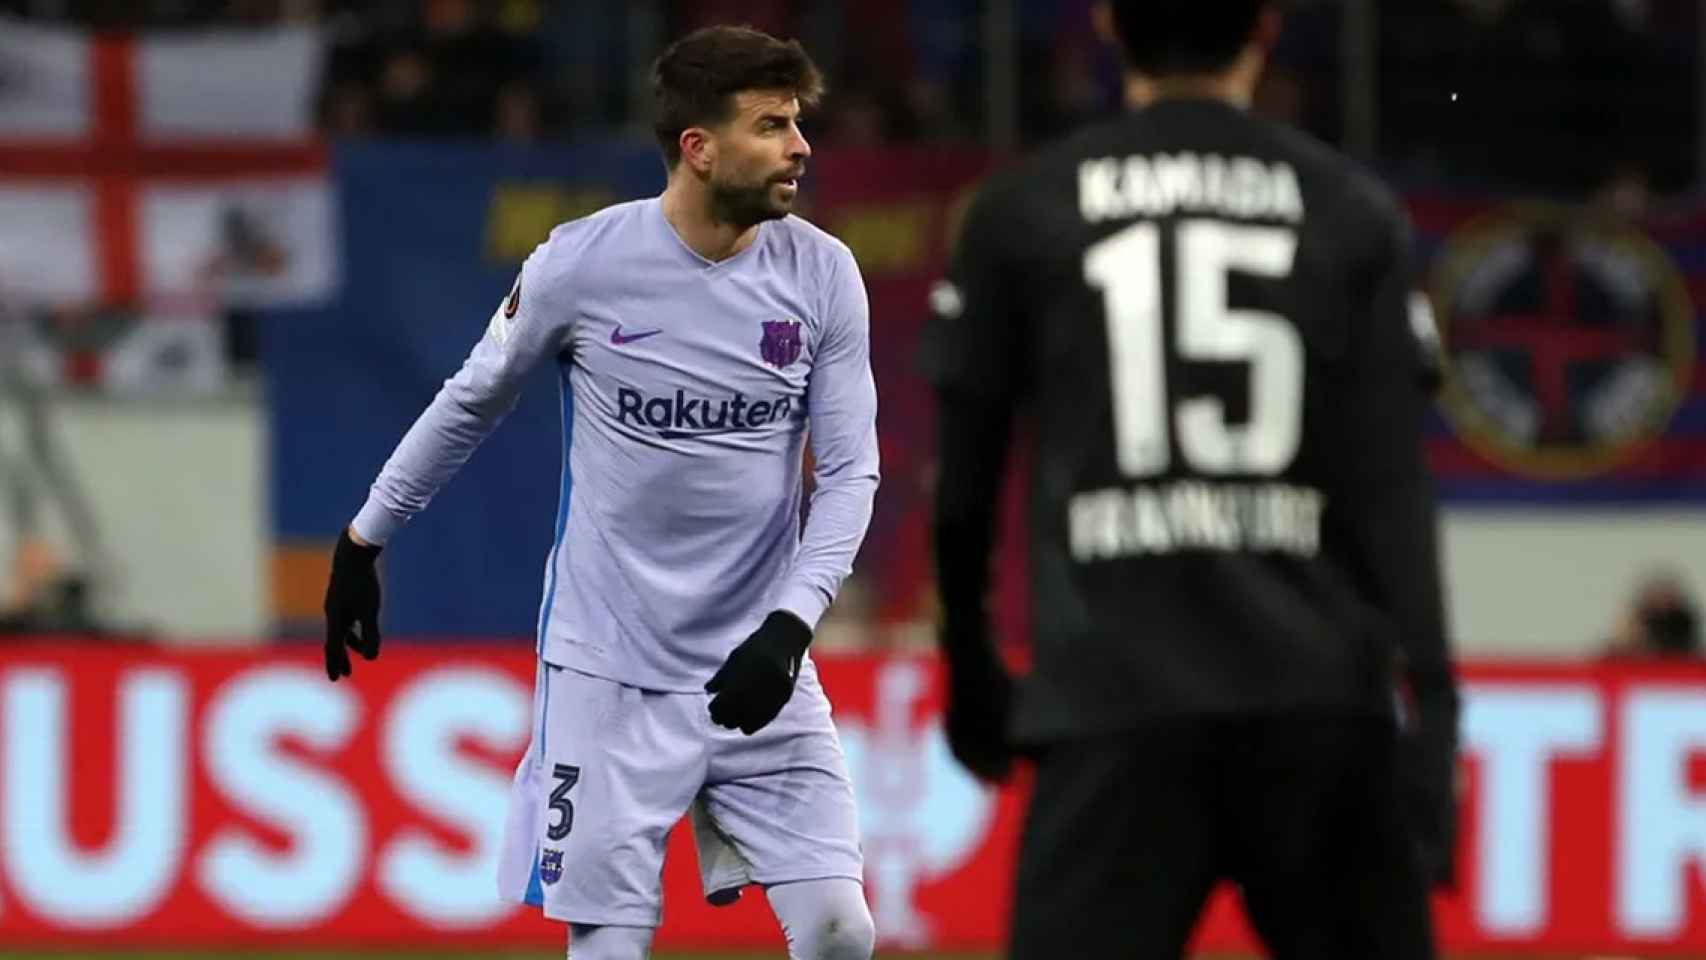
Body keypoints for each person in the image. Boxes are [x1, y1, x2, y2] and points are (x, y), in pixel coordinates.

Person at [322, 26, 880, 960]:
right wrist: (363, 540)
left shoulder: (822, 273)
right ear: (698, 148)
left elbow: (853, 471)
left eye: (798, 122)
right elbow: (468, 405)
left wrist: (790, 624)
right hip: (608, 670)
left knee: (839, 932)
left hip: (759, 661)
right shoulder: (582, 263)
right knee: (610, 947)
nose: (800, 146)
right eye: (772, 124)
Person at [923, 2, 1458, 957]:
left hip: (1110, 701)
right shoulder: (1348, 209)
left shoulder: (1023, 210)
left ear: (1105, 24)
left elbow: (963, 481)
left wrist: (969, 669)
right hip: (1318, 704)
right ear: (1265, 26)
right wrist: (1434, 713)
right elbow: (1393, 492)